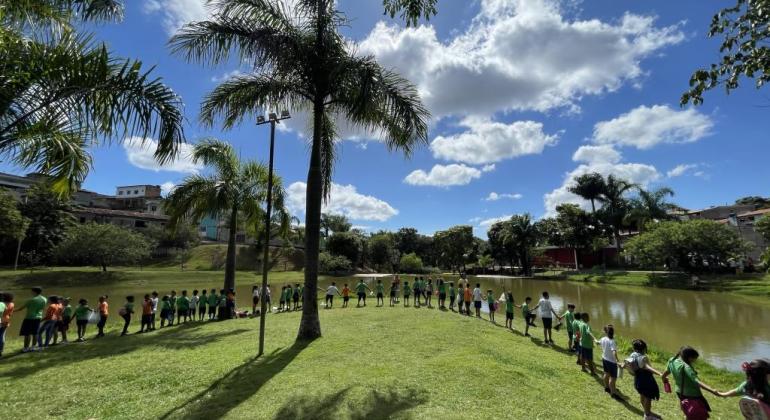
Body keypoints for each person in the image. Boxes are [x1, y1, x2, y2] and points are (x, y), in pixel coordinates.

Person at [663, 346, 720, 420]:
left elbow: (665, 374)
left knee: (688, 412)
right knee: (700, 415)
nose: (695, 361)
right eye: (694, 359)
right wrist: (712, 390)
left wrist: (665, 381)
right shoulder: (687, 367)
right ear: (690, 358)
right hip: (693, 395)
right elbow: (697, 382)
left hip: (679, 392)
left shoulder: (672, 360)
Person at [626, 339, 663, 420]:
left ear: (634, 348)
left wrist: (622, 365)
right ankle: (647, 415)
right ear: (644, 348)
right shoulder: (643, 357)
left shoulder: (633, 354)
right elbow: (647, 367)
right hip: (646, 380)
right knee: (648, 398)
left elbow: (627, 363)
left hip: (638, 379)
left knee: (642, 396)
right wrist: (660, 373)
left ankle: (648, 412)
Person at [15, 286, 47, 352]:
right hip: (38, 318)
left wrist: (11, 311)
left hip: (29, 318)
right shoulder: (44, 299)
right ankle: (33, 347)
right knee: (35, 333)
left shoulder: (31, 300)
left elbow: (21, 309)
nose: (31, 292)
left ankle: (26, 348)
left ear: (34, 292)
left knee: (27, 333)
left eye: (31, 291)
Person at [597, 324, 621, 400]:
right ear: (612, 332)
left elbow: (598, 342)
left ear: (606, 332)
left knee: (606, 373)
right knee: (613, 378)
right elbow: (613, 351)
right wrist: (617, 360)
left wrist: (596, 341)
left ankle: (606, 387)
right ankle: (613, 393)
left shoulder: (603, 338)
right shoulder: (612, 341)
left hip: (604, 359)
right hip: (612, 362)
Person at [0, 292, 14, 357]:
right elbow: (10, 314)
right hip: (6, 320)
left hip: (2, 320)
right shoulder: (11, 304)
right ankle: (1, 350)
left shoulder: (2, 304)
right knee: (2, 336)